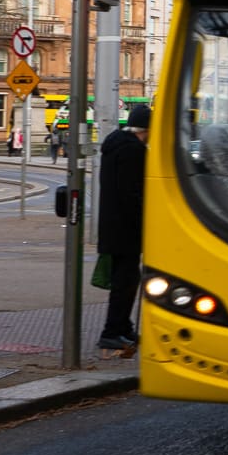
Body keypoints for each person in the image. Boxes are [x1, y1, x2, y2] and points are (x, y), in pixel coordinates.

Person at [95, 105, 151, 354]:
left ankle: (123, 326)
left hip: (112, 225)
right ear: (147, 129)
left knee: (126, 279)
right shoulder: (134, 151)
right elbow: (133, 193)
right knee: (125, 281)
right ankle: (112, 331)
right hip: (127, 227)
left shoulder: (114, 146)